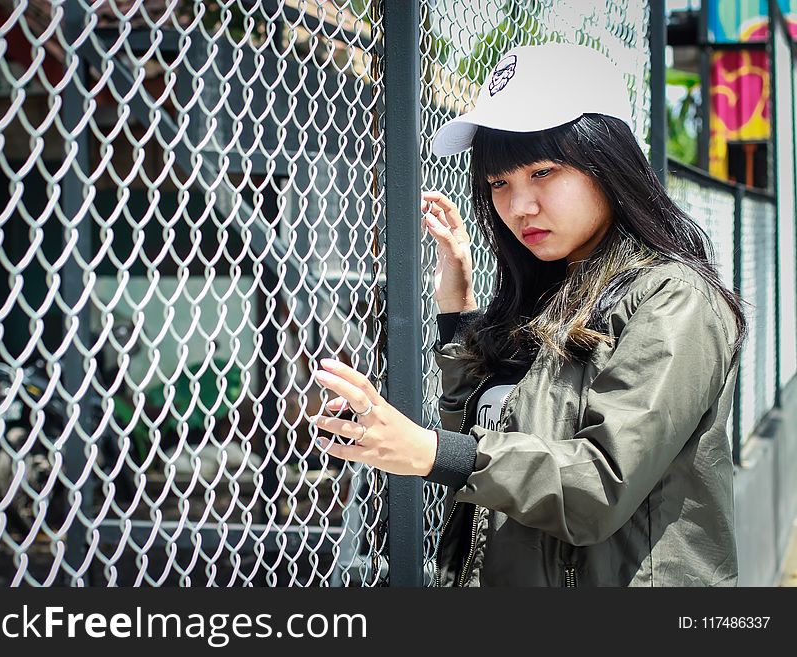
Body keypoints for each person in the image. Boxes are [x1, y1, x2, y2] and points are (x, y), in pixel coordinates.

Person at [306, 42, 746, 587]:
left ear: (607, 161)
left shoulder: (674, 298)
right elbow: (490, 428)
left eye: (542, 172)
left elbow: (597, 487)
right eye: (499, 183)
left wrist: (426, 451)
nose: (519, 206)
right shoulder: (551, 289)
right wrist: (459, 309)